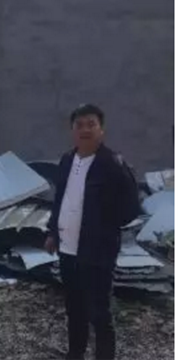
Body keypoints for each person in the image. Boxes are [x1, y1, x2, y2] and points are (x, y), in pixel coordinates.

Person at [44, 104, 140, 360]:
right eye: (79, 125)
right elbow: (60, 199)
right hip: (68, 249)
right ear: (72, 130)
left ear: (101, 130)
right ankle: (75, 354)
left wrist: (104, 227)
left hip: (97, 252)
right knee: (74, 309)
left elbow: (131, 207)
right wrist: (53, 232)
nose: (85, 130)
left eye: (91, 124)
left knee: (99, 313)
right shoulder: (67, 160)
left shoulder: (113, 164)